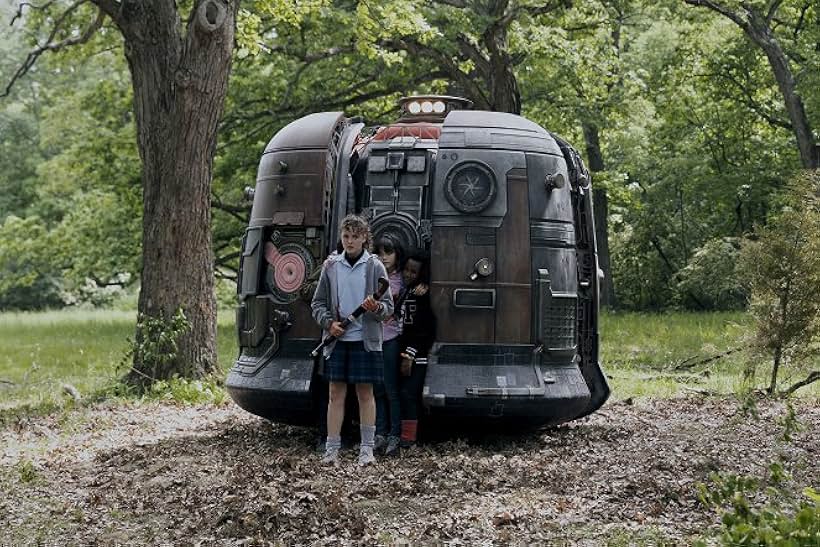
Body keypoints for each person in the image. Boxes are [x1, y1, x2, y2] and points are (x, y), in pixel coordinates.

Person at [311, 215, 393, 465]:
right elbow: (318, 303)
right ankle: (331, 450)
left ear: (364, 238)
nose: (349, 241)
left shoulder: (375, 266)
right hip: (338, 340)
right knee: (335, 393)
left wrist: (375, 307)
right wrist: (329, 324)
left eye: (355, 236)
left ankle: (366, 450)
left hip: (364, 340)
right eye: (346, 236)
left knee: (365, 393)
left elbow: (388, 308)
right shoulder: (331, 266)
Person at [397, 248, 436, 449]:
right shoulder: (407, 292)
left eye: (414, 272)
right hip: (404, 352)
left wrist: (409, 355)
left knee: (408, 394)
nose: (408, 274)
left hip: (416, 356)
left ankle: (409, 438)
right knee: (403, 394)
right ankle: (404, 434)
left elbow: (424, 329)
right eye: (406, 270)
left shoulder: (421, 295)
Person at [373, 236, 406, 455]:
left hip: (392, 338)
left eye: (389, 252)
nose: (385, 257)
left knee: (391, 389)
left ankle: (395, 434)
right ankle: (380, 433)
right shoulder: (372, 276)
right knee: (376, 390)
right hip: (372, 338)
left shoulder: (403, 279)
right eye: (381, 253)